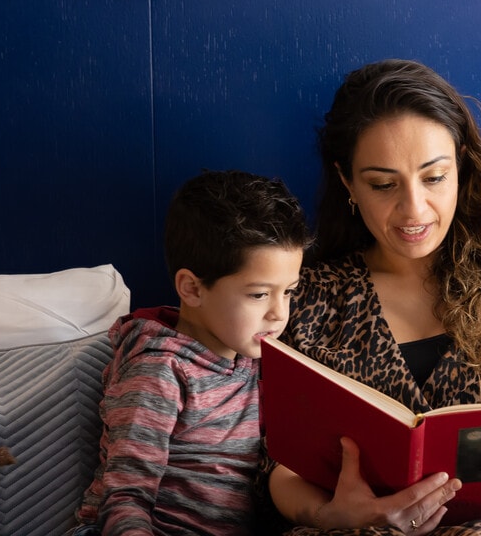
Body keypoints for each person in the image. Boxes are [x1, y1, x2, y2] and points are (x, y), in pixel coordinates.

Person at [260, 58, 481, 536]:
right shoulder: (307, 298)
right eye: (383, 185)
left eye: (434, 177)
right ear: (348, 183)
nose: (414, 209)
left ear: (461, 166)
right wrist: (333, 515)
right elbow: (277, 463)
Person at [71, 169, 311, 535]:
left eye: (289, 292)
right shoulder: (159, 370)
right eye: (259, 294)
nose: (279, 313)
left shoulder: (253, 356)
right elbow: (125, 497)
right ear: (192, 289)